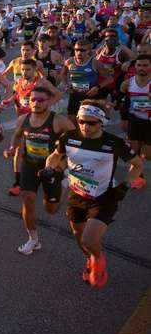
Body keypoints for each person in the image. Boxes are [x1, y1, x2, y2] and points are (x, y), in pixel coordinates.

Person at [44, 101, 143, 287]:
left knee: (89, 240)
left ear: (101, 122)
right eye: (81, 121)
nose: (84, 126)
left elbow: (137, 164)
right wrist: (49, 168)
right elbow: (56, 156)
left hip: (103, 198)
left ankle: (98, 259)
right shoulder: (69, 137)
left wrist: (126, 185)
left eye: (91, 123)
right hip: (77, 195)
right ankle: (91, 259)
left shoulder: (114, 143)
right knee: (80, 239)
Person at [3, 86, 76, 254]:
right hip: (29, 164)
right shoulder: (23, 119)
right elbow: (17, 134)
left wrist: (63, 162)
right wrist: (12, 148)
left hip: (51, 168)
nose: (35, 103)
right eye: (32, 99)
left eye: (40, 100)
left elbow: (76, 140)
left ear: (49, 101)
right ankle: (33, 239)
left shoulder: (59, 121)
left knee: (51, 210)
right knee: (27, 198)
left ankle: (66, 184)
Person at [119, 54, 150, 189]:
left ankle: (141, 163)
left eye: (145, 65)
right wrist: (124, 118)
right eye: (139, 65)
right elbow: (123, 101)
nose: (141, 68)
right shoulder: (128, 83)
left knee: (147, 153)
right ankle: (138, 177)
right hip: (135, 120)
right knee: (134, 152)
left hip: (149, 122)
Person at [63, 39, 102, 121]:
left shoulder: (95, 62)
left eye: (82, 50)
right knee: (72, 120)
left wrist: (97, 87)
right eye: (76, 50)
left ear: (88, 51)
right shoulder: (69, 62)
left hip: (90, 96)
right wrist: (66, 85)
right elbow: (63, 74)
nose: (79, 52)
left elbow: (109, 78)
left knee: (87, 121)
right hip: (75, 94)